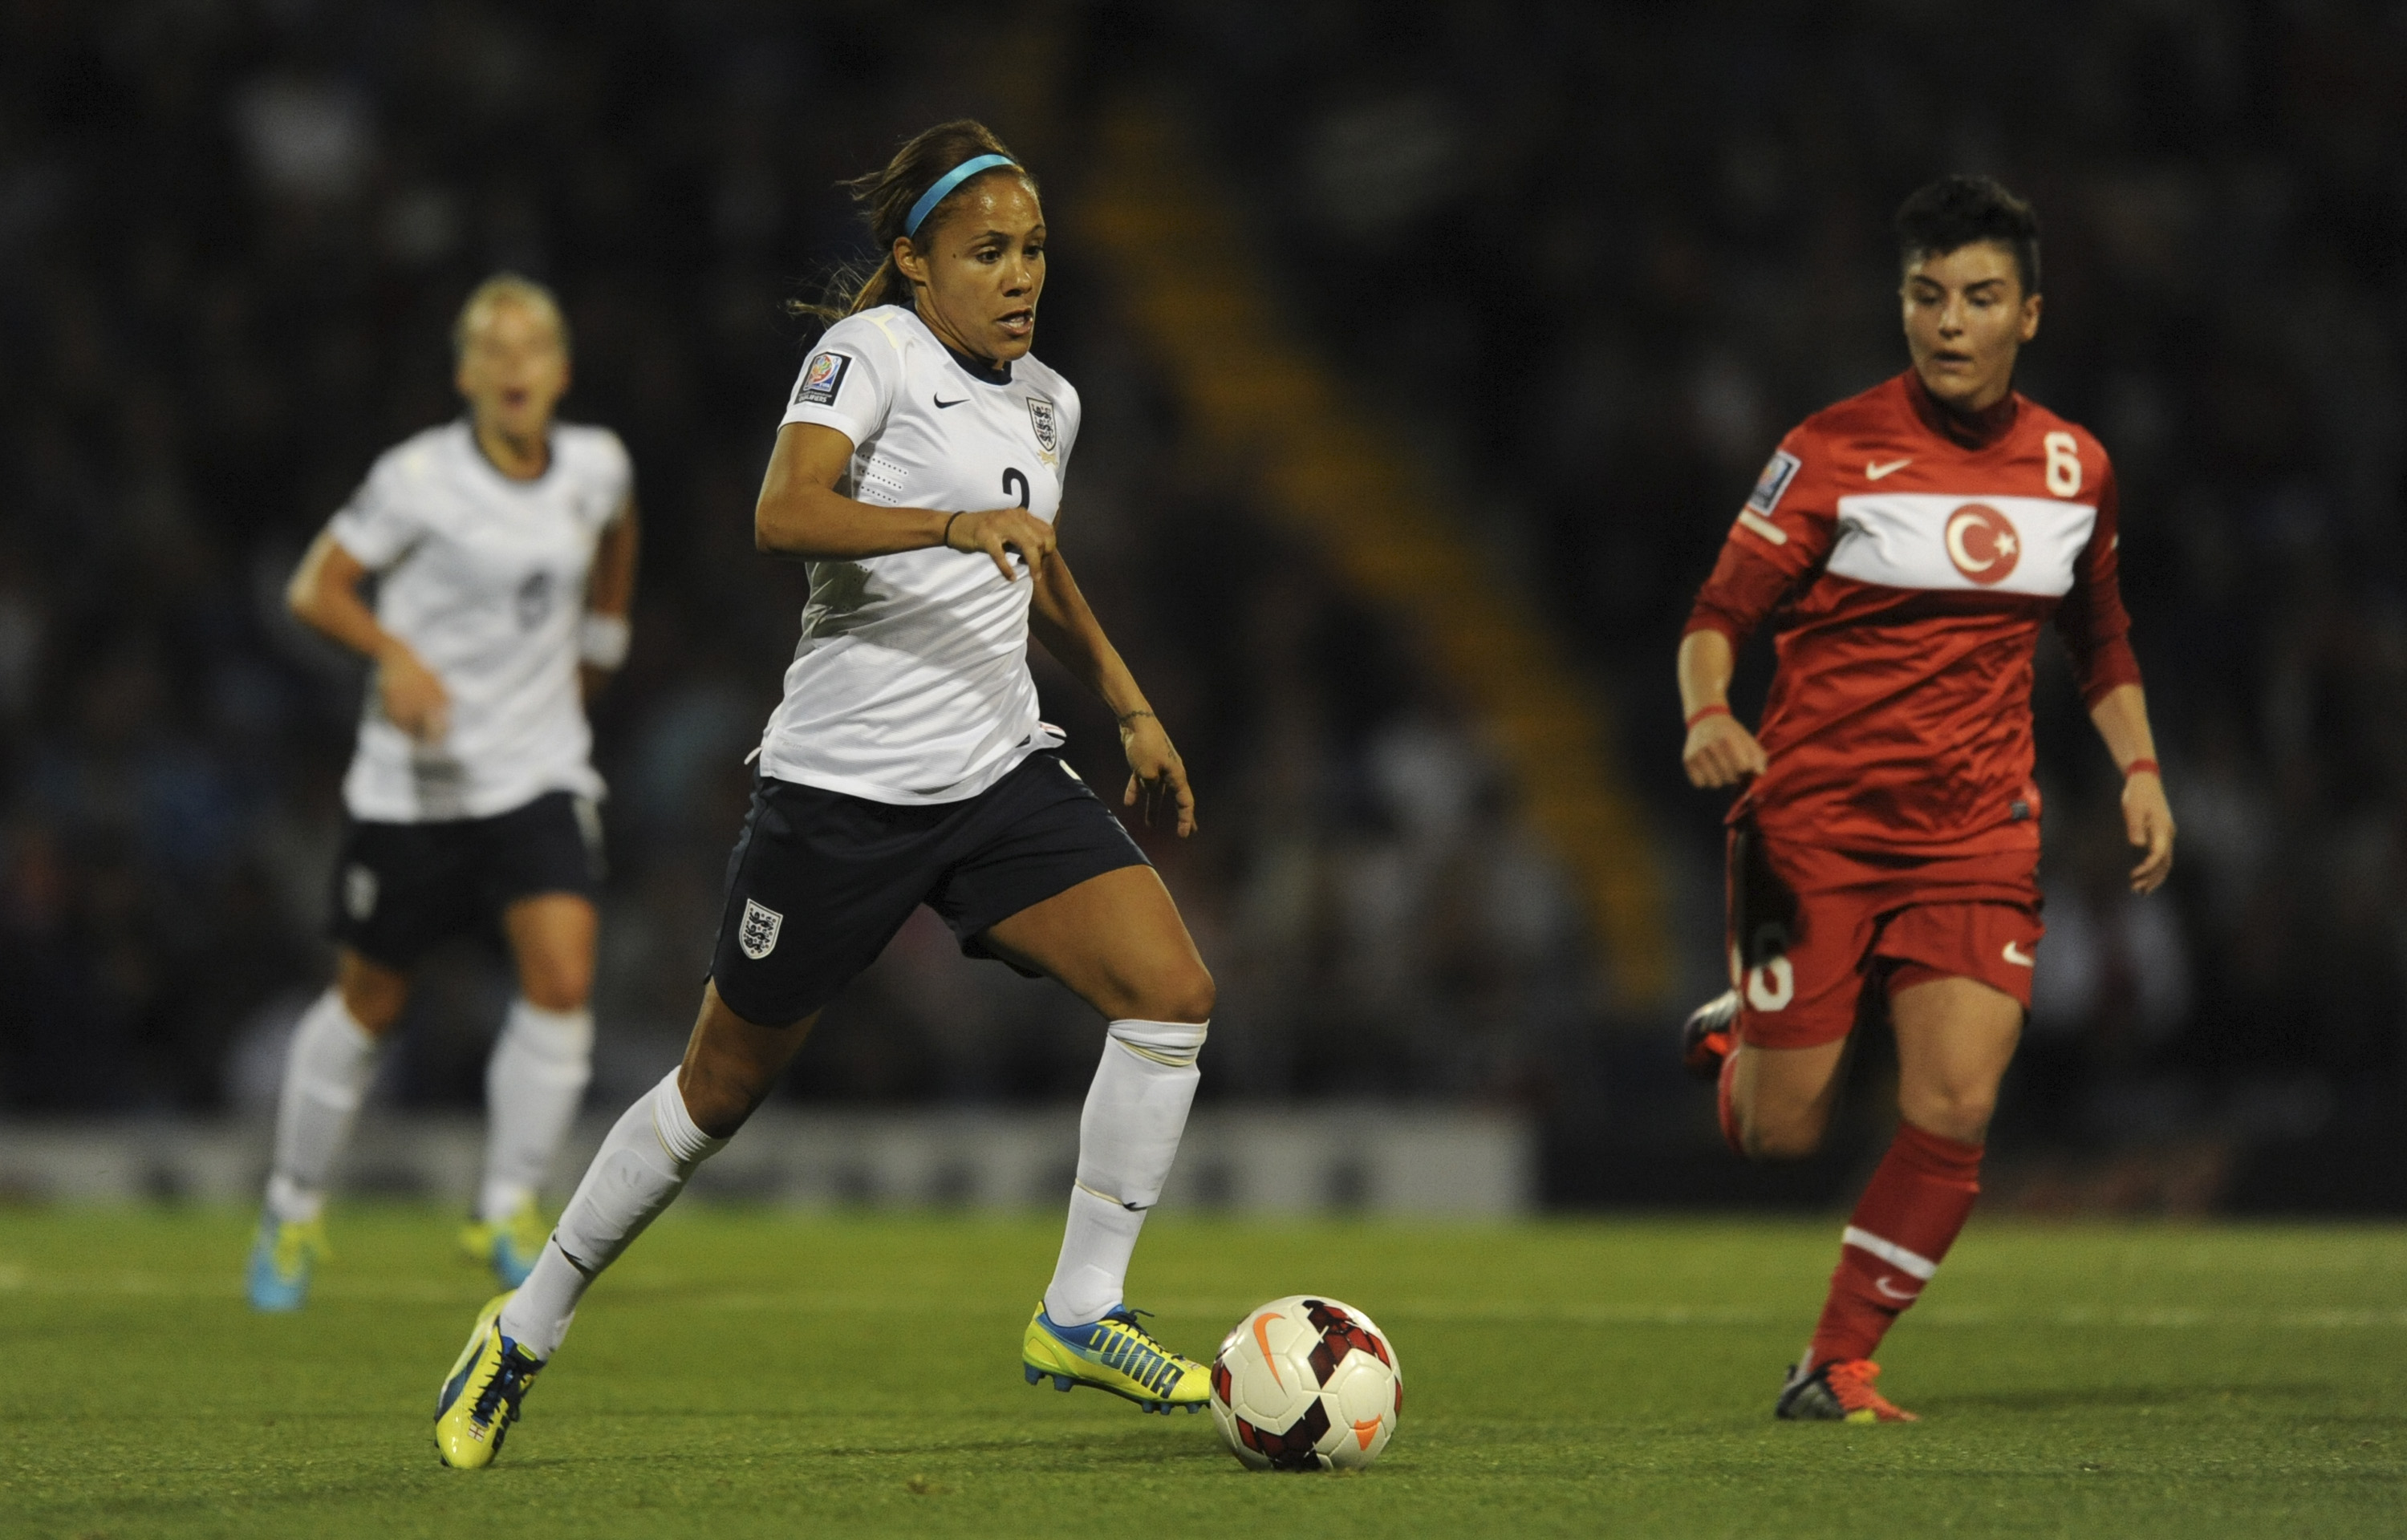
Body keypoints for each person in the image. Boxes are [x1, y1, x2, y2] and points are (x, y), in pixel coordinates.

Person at [431, 120, 1220, 1469]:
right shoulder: (869, 357)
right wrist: (951, 523)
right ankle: (528, 1321)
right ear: (916, 261)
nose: (1021, 274)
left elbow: (1036, 567)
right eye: (988, 251)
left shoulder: (1050, 400)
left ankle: (1080, 1310)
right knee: (712, 1097)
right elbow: (782, 512)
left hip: (997, 773)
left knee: (1173, 995)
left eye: (1034, 249)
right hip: (840, 796)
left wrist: (1130, 706)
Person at [1674, 176, 2176, 1421]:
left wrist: (2143, 770)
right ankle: (1737, 1041)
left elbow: (2099, 638)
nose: (1951, 323)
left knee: (1955, 1104)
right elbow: (1716, 618)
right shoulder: (1827, 451)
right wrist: (1710, 713)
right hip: (1811, 835)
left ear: (2032, 315)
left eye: (1981, 298)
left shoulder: (2076, 467)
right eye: (1927, 296)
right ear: (1903, 305)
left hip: (1977, 836)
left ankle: (1834, 1363)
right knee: (1781, 1132)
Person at [246, 274, 639, 1311]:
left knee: (561, 977)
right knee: (371, 1003)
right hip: (414, 787)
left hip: (536, 771)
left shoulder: (597, 465)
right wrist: (392, 656)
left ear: (560, 368)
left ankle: (506, 1204)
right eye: (492, 350)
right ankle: (291, 1211)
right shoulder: (418, 478)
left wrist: (603, 642)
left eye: (533, 348)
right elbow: (314, 586)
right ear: (465, 372)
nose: (514, 366)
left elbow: (618, 533)